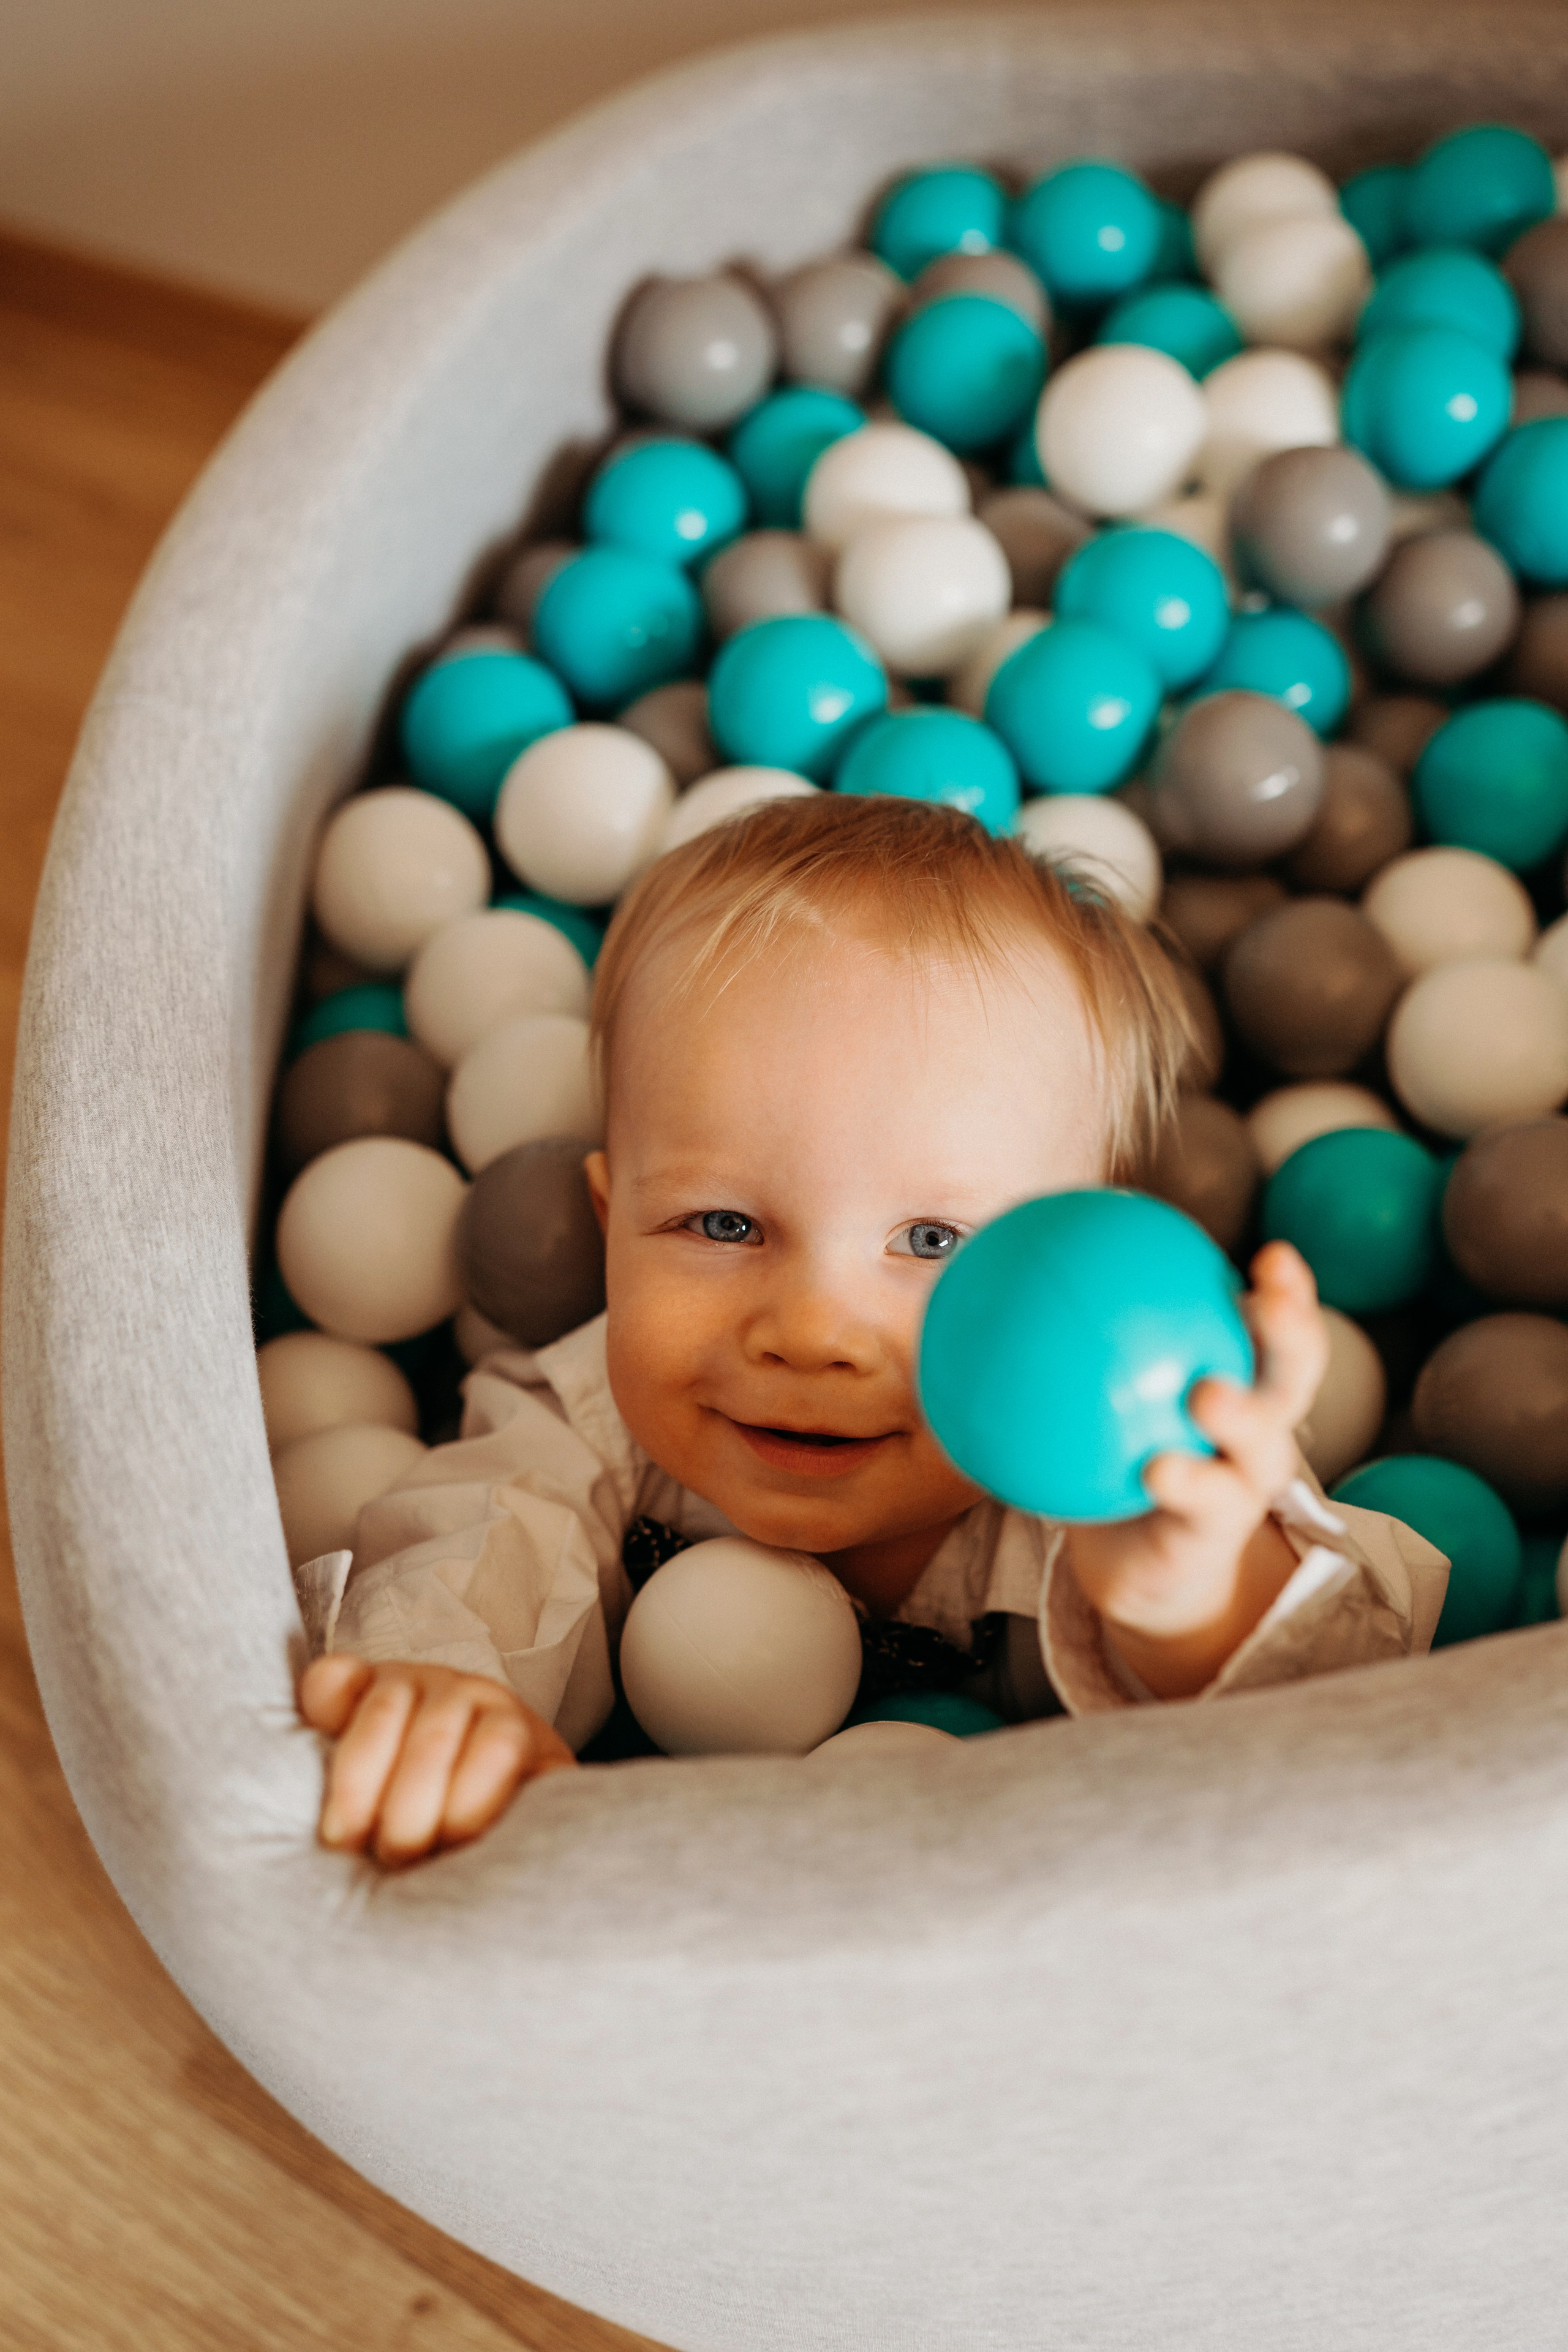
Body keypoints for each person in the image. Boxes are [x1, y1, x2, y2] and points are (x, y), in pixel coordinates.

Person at [295, 794, 1447, 1864]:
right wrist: (446, 1701)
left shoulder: (1116, 1447)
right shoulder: (580, 1427)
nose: (810, 1332)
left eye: (933, 1241)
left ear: (1068, 1268)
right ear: (611, 1231)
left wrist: (1193, 1601)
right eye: (724, 1224)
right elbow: (462, 1565)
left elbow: (1358, 1724)